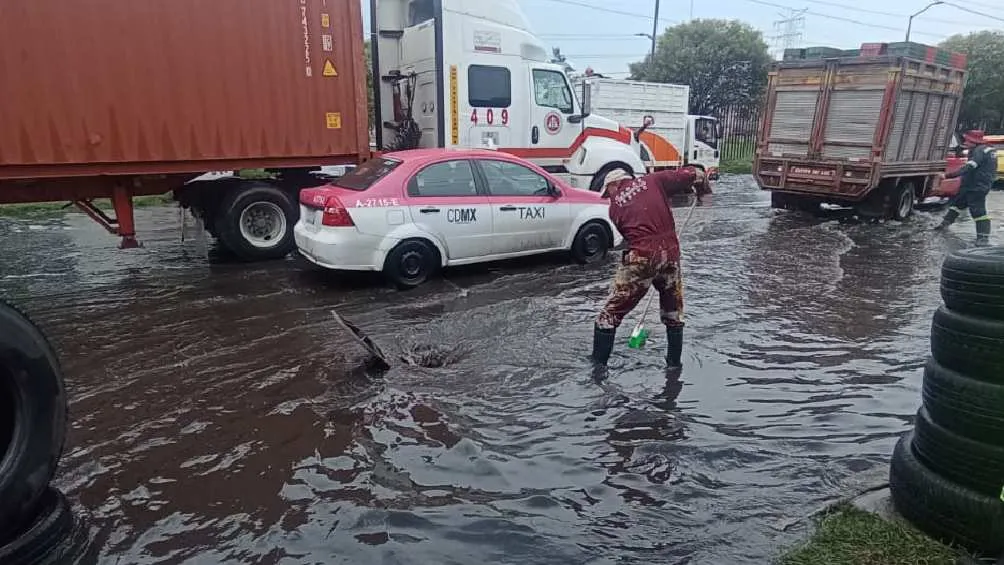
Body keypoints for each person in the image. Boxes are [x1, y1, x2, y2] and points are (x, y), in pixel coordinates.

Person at [590, 166, 709, 369]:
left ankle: (598, 369)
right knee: (673, 313)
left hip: (641, 257)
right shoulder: (653, 180)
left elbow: (630, 235)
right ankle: (674, 366)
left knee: (608, 316)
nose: (610, 197)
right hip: (670, 254)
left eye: (608, 192)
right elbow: (690, 174)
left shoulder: (614, 208)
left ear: (614, 184)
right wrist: (700, 183)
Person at [935, 129, 996, 247]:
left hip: (976, 187)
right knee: (958, 204)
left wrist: (947, 176)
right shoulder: (986, 149)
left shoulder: (979, 151)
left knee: (978, 212)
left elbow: (969, 168)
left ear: (974, 141)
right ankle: (944, 225)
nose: (965, 143)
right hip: (971, 185)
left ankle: (983, 238)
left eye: (967, 140)